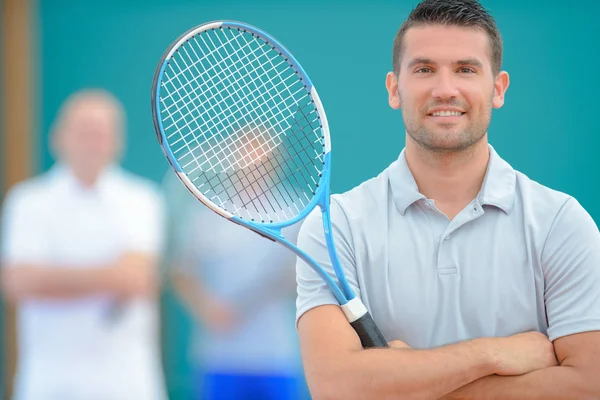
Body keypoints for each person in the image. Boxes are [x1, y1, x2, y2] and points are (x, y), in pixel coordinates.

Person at [295, 1, 600, 399]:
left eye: (465, 69)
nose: (445, 89)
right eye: (424, 69)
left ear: (498, 89)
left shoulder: (561, 222)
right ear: (394, 89)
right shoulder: (335, 227)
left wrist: (400, 380)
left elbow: (588, 384)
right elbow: (336, 386)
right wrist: (492, 355)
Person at [0, 89, 167, 400]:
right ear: (58, 136)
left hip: (129, 387)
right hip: (48, 387)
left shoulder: (143, 200)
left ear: (118, 141)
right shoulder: (26, 201)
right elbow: (19, 282)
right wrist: (110, 276)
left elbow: (136, 278)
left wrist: (51, 279)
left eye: (102, 133)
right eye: (83, 131)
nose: (92, 142)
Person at [164, 126, 305, 400]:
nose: (254, 166)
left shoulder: (294, 210)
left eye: (262, 159)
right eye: (246, 157)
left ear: (275, 162)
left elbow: (298, 277)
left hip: (275, 357)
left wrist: (253, 300)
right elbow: (181, 272)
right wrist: (207, 307)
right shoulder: (208, 209)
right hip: (219, 358)